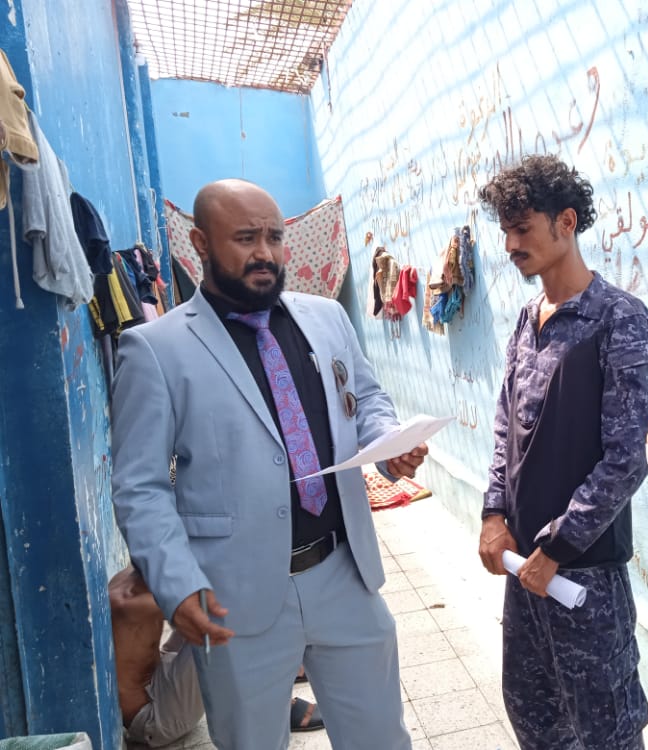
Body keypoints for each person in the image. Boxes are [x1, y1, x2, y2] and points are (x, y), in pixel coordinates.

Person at [111, 178, 425, 750]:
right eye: (245, 238)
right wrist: (177, 584)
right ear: (200, 244)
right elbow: (141, 488)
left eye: (274, 238)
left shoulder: (326, 317)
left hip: (344, 572)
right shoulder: (156, 349)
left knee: (382, 738)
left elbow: (366, 398)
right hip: (234, 592)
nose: (265, 253)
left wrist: (388, 443)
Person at [477, 154, 648, 749]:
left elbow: (627, 457)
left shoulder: (619, 320)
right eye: (505, 231)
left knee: (604, 729)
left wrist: (558, 546)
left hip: (583, 578)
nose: (511, 244)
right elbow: (507, 427)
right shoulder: (527, 320)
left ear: (566, 222)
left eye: (522, 228)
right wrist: (493, 514)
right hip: (524, 570)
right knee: (534, 716)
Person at [110, 566, 324, 747]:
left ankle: (278, 672)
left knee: (223, 590)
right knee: (225, 616)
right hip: (155, 715)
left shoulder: (141, 573)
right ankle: (268, 705)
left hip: (160, 672)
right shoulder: (125, 602)